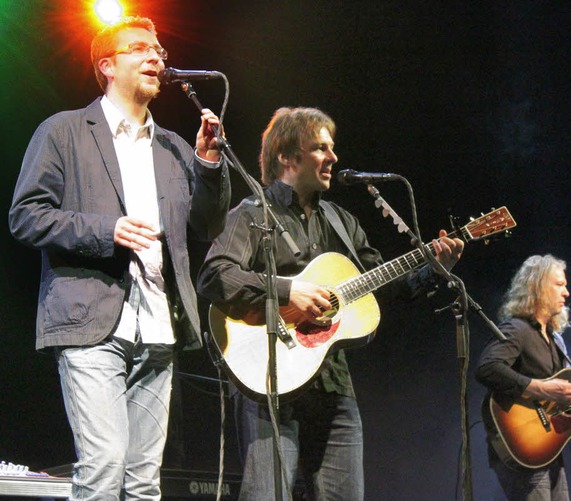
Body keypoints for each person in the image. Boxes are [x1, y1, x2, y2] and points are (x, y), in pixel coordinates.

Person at [8, 16, 231, 500]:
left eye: (160, 52)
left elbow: (208, 226)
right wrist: (106, 230)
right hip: (91, 321)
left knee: (143, 482)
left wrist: (209, 164)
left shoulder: (173, 146)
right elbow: (25, 216)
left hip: (158, 327)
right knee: (104, 467)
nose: (156, 57)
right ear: (107, 65)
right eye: (140, 49)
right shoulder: (64, 131)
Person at [197, 106, 464, 500]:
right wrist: (289, 291)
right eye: (321, 148)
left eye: (332, 148)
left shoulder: (342, 221)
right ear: (287, 157)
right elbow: (214, 275)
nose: (333, 158)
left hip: (333, 384)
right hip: (269, 378)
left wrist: (433, 270)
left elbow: (383, 288)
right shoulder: (253, 213)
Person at [475, 255, 571, 500]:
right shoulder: (517, 329)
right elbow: (487, 368)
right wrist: (541, 389)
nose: (567, 293)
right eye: (559, 285)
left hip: (549, 448)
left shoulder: (556, 340)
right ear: (538, 286)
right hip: (521, 448)